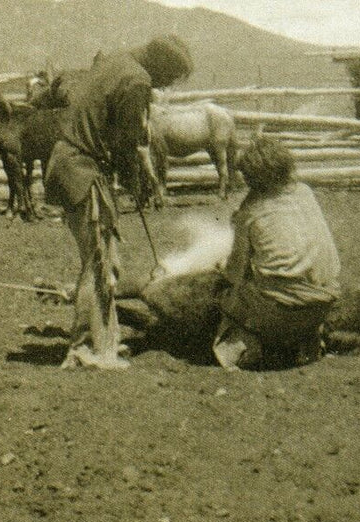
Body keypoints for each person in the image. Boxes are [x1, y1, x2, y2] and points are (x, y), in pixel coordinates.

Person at [44, 35, 193, 369]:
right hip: (82, 169)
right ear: (161, 67)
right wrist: (135, 182)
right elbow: (126, 143)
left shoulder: (116, 60)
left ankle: (105, 340)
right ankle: (87, 350)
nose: (165, 86)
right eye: (169, 79)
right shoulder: (137, 80)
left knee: (105, 258)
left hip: (69, 162)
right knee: (100, 262)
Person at [212, 136, 341, 370]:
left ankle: (243, 349)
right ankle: (309, 341)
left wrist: (224, 266)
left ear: (257, 178)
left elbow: (235, 273)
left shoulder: (252, 211)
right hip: (324, 303)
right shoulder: (305, 192)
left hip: (281, 310)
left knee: (226, 296)